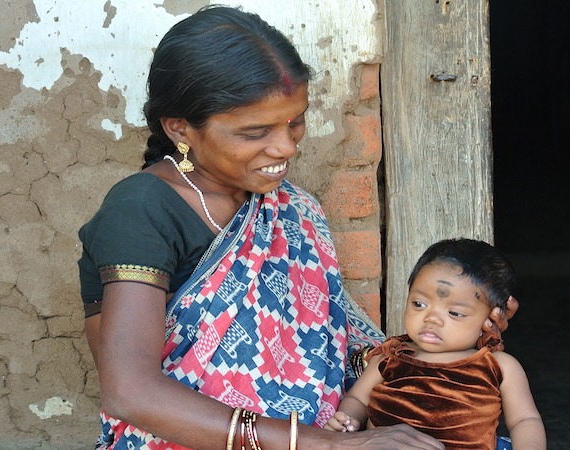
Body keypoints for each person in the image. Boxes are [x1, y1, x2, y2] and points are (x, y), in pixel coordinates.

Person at [77, 6, 518, 449]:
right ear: (180, 129)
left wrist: (453, 339)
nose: (286, 147)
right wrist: (323, 445)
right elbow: (129, 391)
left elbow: (335, 351)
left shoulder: (291, 206)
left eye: (295, 121)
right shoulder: (141, 209)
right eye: (256, 132)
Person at [324, 238, 545, 450]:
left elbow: (524, 420)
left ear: (490, 319)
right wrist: (348, 421)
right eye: (419, 304)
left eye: (455, 313)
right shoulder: (391, 356)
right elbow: (357, 399)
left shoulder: (498, 365)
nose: (431, 318)